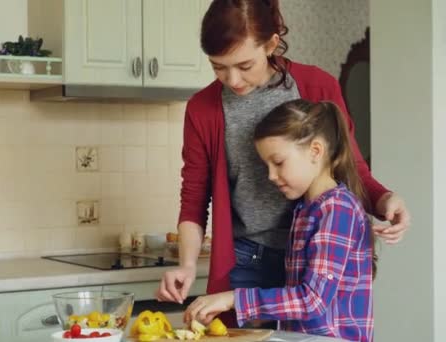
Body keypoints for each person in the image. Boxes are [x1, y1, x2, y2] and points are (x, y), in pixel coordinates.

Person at [155, 0, 410, 327]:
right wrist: (187, 265)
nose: (232, 79)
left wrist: (386, 199)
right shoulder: (203, 108)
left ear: (272, 43)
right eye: (218, 66)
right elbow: (193, 199)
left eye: (244, 65)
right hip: (245, 257)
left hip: (314, 254)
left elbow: (351, 165)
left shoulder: (317, 86)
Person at [183, 99, 375, 342]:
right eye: (267, 166)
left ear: (315, 151)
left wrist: (232, 299)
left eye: (279, 162)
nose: (271, 176)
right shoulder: (306, 209)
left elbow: (312, 301)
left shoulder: (337, 209)